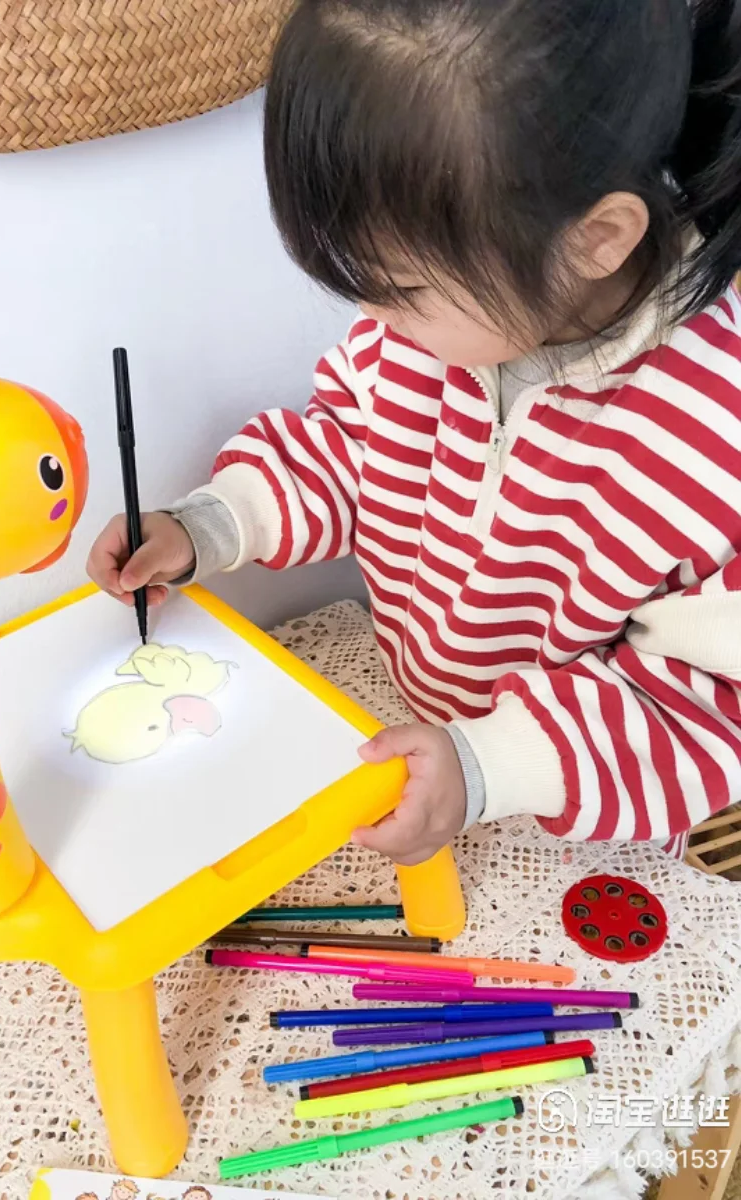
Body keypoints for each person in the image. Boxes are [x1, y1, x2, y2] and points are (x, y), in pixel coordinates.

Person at [88, 0, 741, 866]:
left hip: (581, 814)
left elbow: (701, 707)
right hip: (422, 743)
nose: (368, 316)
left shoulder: (711, 439)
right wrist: (209, 526)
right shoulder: (421, 339)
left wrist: (487, 768)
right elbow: (350, 447)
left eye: (401, 287)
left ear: (597, 239)